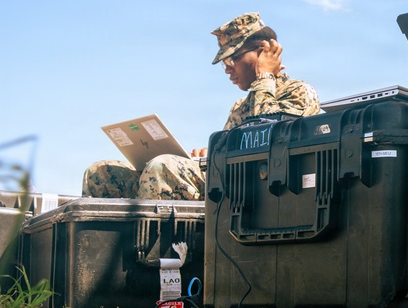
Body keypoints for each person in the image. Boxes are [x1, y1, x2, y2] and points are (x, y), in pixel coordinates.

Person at [82, 13, 321, 200]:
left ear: (264, 51)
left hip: (256, 192)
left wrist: (265, 76)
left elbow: (267, 136)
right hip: (224, 182)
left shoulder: (299, 92)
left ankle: (156, 259)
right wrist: (208, 158)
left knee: (164, 167)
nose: (227, 68)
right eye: (224, 63)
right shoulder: (240, 106)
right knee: (101, 172)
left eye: (232, 58)